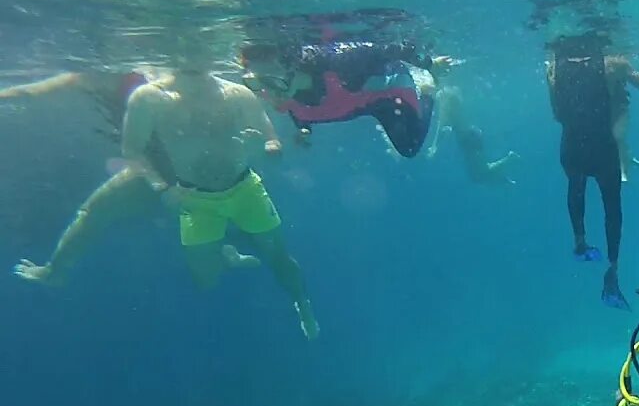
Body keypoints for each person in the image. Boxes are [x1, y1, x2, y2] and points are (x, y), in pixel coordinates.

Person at [122, 65, 319, 339]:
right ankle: (230, 256)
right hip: (194, 197)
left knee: (278, 256)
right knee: (206, 279)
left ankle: (302, 304)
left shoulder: (236, 93)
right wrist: (161, 188)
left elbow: (273, 143)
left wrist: (263, 149)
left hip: (244, 189)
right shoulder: (149, 97)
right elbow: (131, 150)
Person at [545, 33, 639, 309]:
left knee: (576, 187)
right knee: (612, 206)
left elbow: (557, 114)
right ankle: (613, 270)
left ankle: (580, 243)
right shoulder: (614, 63)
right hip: (602, 147)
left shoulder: (552, 66)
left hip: (570, 145)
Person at [7, 68, 176, 285]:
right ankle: (54, 272)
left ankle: (54, 273)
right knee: (94, 212)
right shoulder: (97, 77)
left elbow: (30, 92)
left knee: (93, 213)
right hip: (171, 168)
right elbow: (29, 91)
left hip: (169, 168)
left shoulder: (102, 77)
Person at [239, 38, 437, 158]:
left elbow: (394, 49)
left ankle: (428, 92)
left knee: (409, 148)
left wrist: (428, 64)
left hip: (388, 96)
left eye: (273, 81)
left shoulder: (342, 63)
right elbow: (296, 110)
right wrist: (304, 128)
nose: (268, 93)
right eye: (257, 84)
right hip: (355, 104)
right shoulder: (280, 92)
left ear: (294, 67)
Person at [425, 56, 519, 186]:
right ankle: (506, 174)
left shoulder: (444, 95)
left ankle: (509, 159)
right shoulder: (453, 92)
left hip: (467, 138)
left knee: (479, 174)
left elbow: (442, 122)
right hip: (471, 134)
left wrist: (435, 145)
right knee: (479, 172)